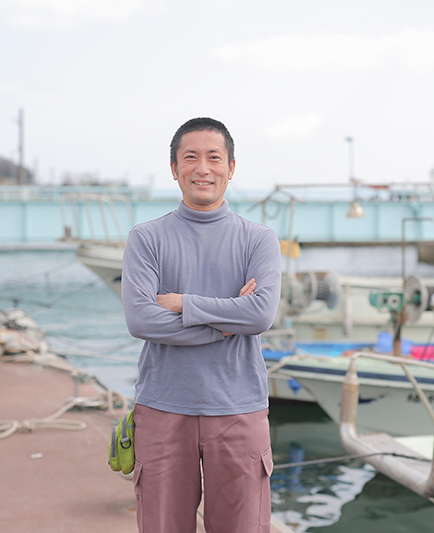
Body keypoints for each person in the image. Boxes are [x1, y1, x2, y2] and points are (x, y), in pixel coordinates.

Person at [121, 117, 282, 532]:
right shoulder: (146, 238)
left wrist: (183, 304)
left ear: (231, 167)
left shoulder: (258, 239)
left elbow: (261, 314)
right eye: (190, 158)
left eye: (214, 158)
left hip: (239, 405)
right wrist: (226, 322)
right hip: (162, 405)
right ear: (174, 168)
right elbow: (141, 319)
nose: (203, 168)